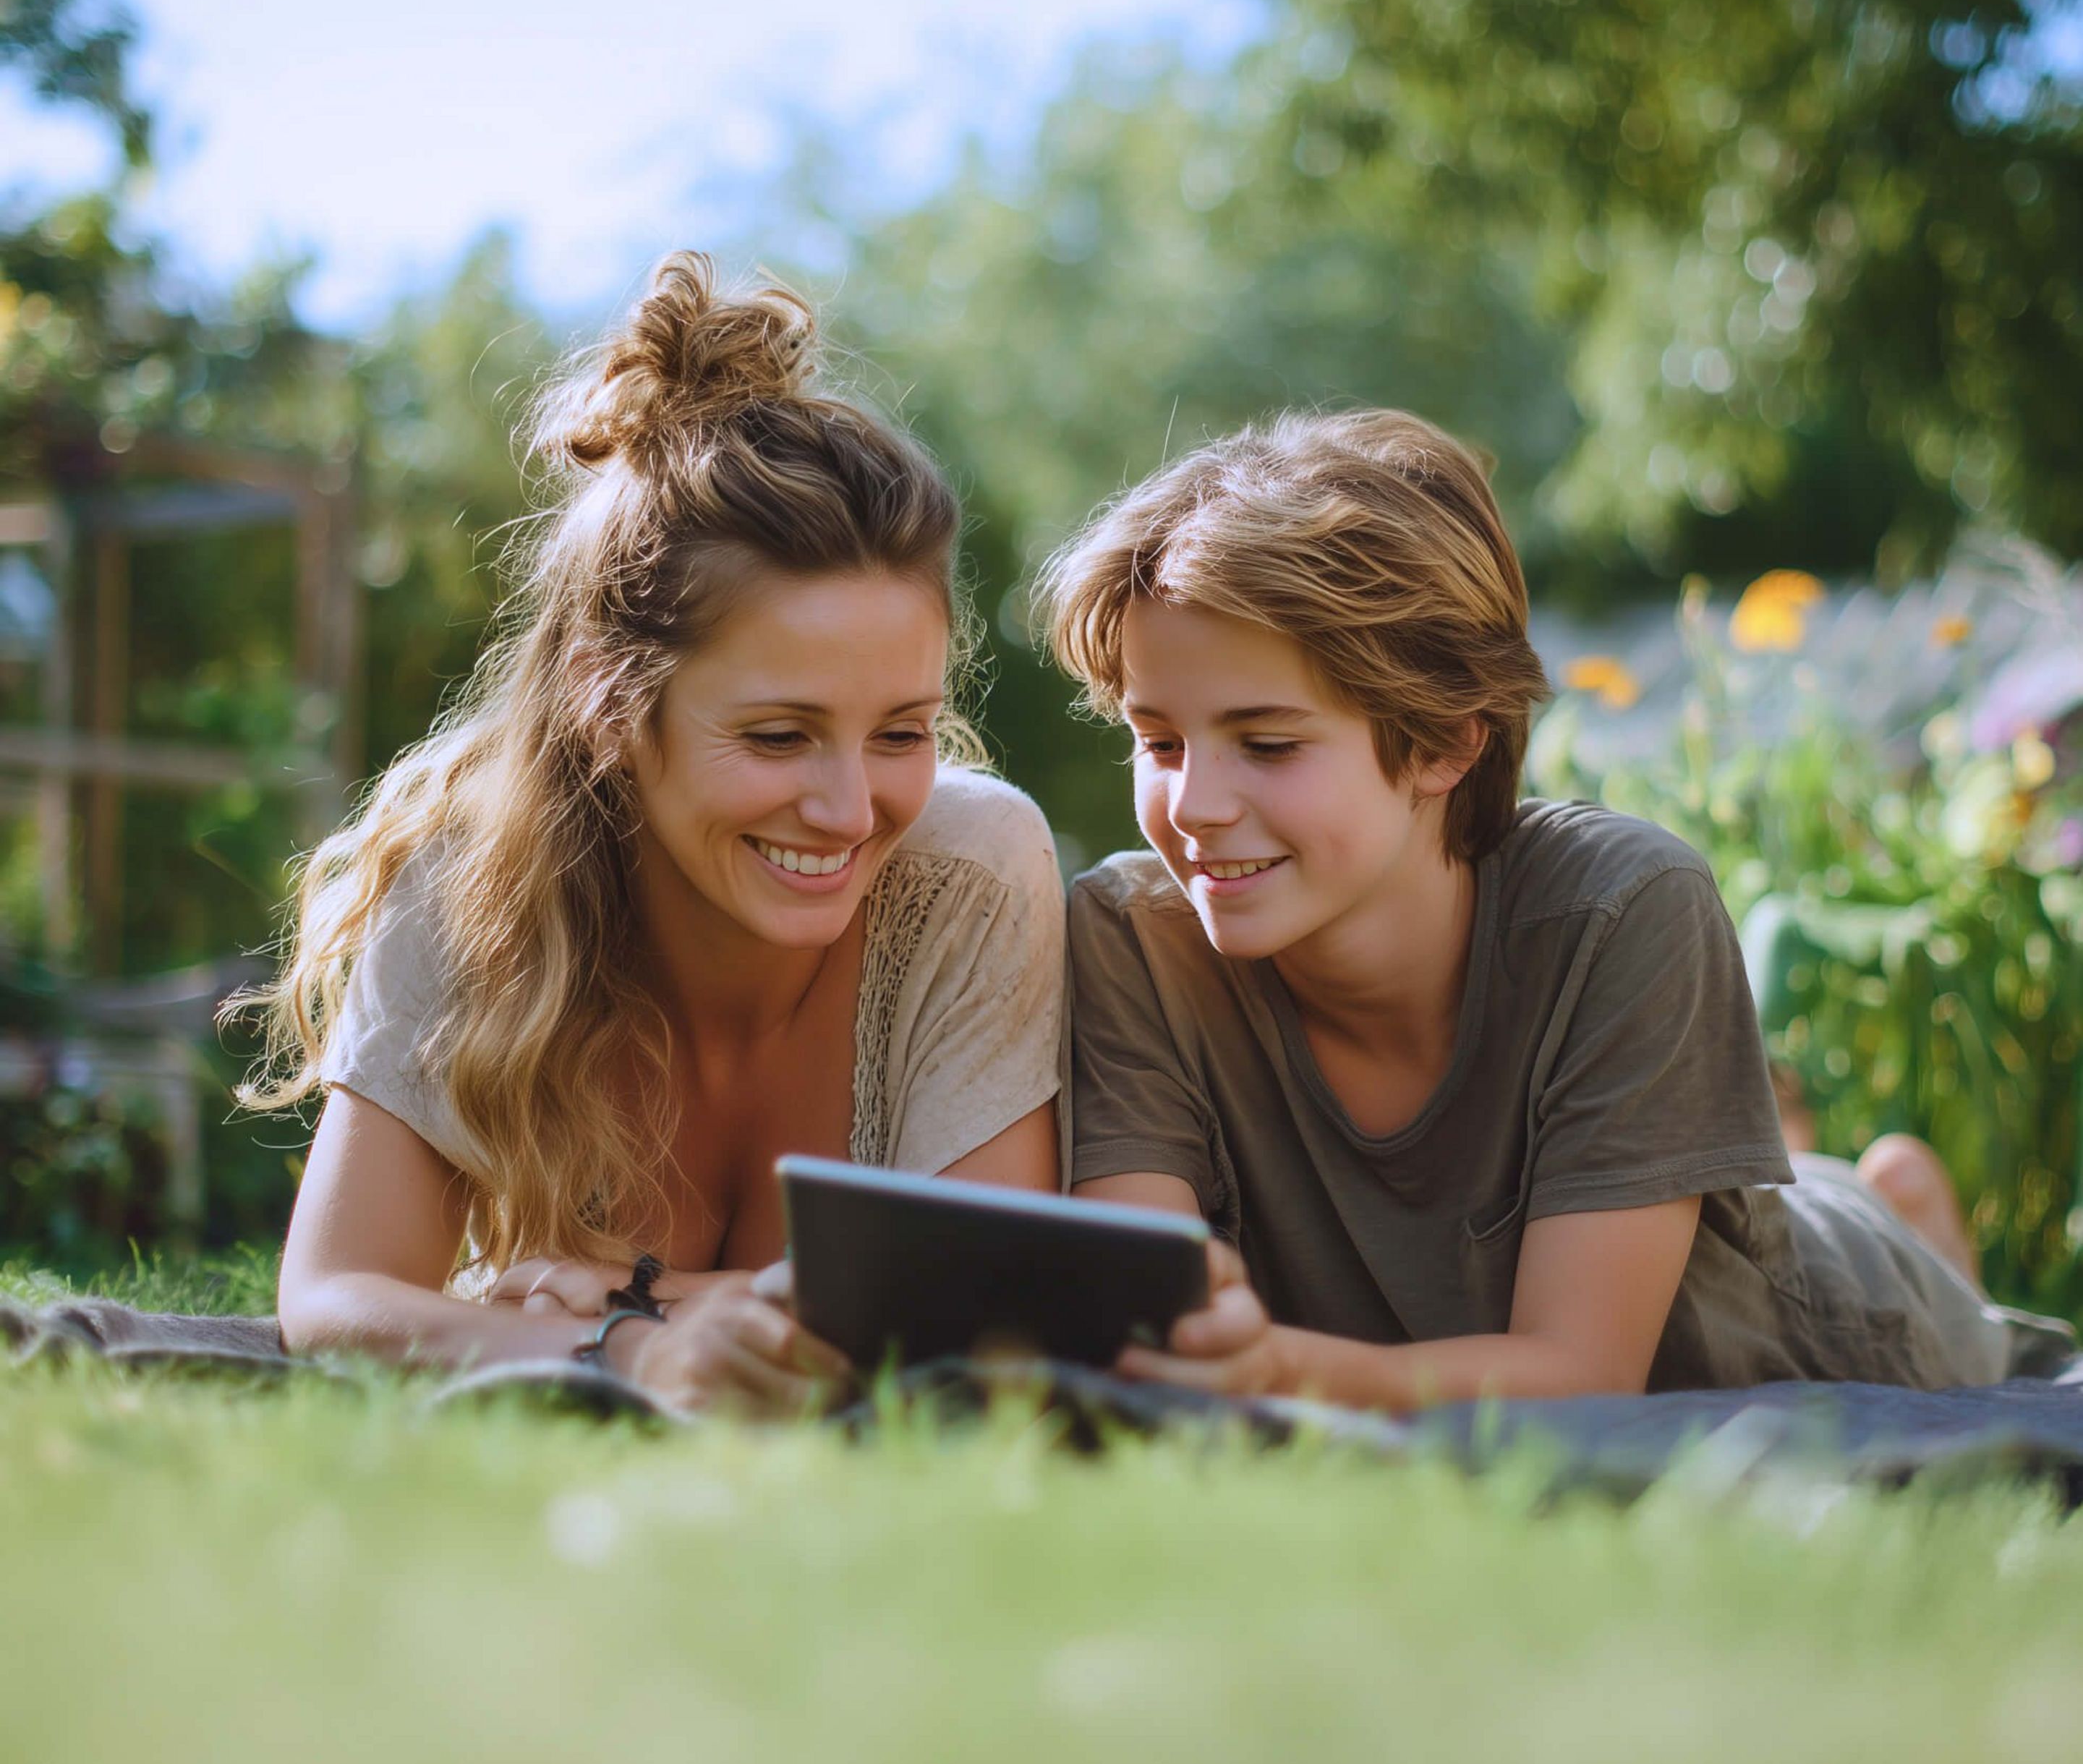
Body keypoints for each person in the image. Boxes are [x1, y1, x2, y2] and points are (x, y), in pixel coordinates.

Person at [1036, 407, 2075, 1409]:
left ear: (1447, 741)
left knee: (1886, 1265)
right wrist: (1178, 1329)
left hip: (1845, 1316)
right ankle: (1843, 1177)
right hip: (1538, 1291)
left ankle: (1904, 1218)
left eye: (1268, 744)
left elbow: (1578, 1376)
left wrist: (1268, 1368)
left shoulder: (1621, 908)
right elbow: (1151, 1311)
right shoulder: (1137, 940)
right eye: (1160, 741)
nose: (1196, 806)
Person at [235, 252, 1063, 1414]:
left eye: (900, 731)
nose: (848, 807)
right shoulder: (477, 875)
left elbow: (992, 1314)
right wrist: (627, 1354)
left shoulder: (972, 870)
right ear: (607, 702)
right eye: (778, 736)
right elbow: (334, 1298)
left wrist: (641, 1293)